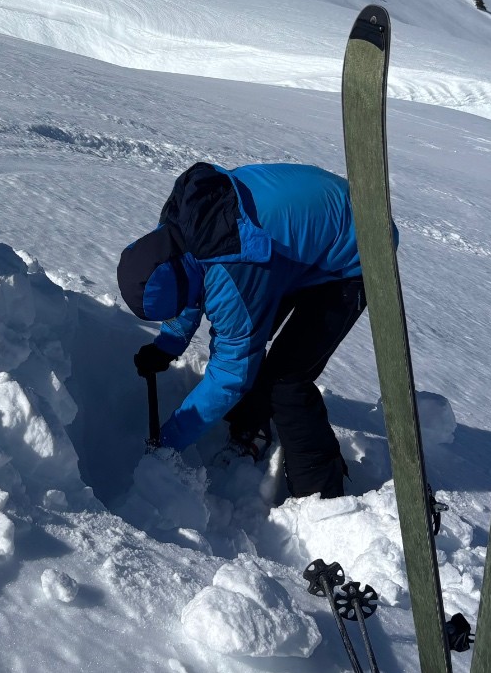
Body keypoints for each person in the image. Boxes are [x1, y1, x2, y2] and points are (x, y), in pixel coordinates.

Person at [116, 160, 383, 499]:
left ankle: (322, 494)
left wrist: (169, 442)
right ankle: (250, 425)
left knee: (286, 379)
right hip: (301, 233)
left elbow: (232, 371)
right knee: (250, 332)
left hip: (361, 247)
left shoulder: (231, 270)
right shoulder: (176, 226)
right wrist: (167, 345)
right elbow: (189, 283)